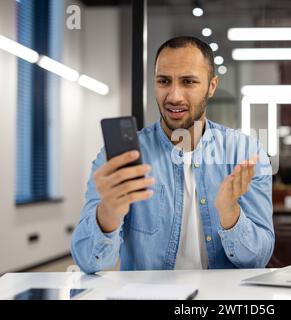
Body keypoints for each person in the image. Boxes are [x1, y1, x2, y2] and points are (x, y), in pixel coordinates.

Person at [71, 36, 274, 273]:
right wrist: (108, 213)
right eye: (164, 81)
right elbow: (87, 262)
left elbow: (258, 259)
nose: (174, 96)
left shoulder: (245, 154)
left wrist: (230, 214)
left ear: (212, 86)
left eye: (188, 82)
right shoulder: (119, 159)